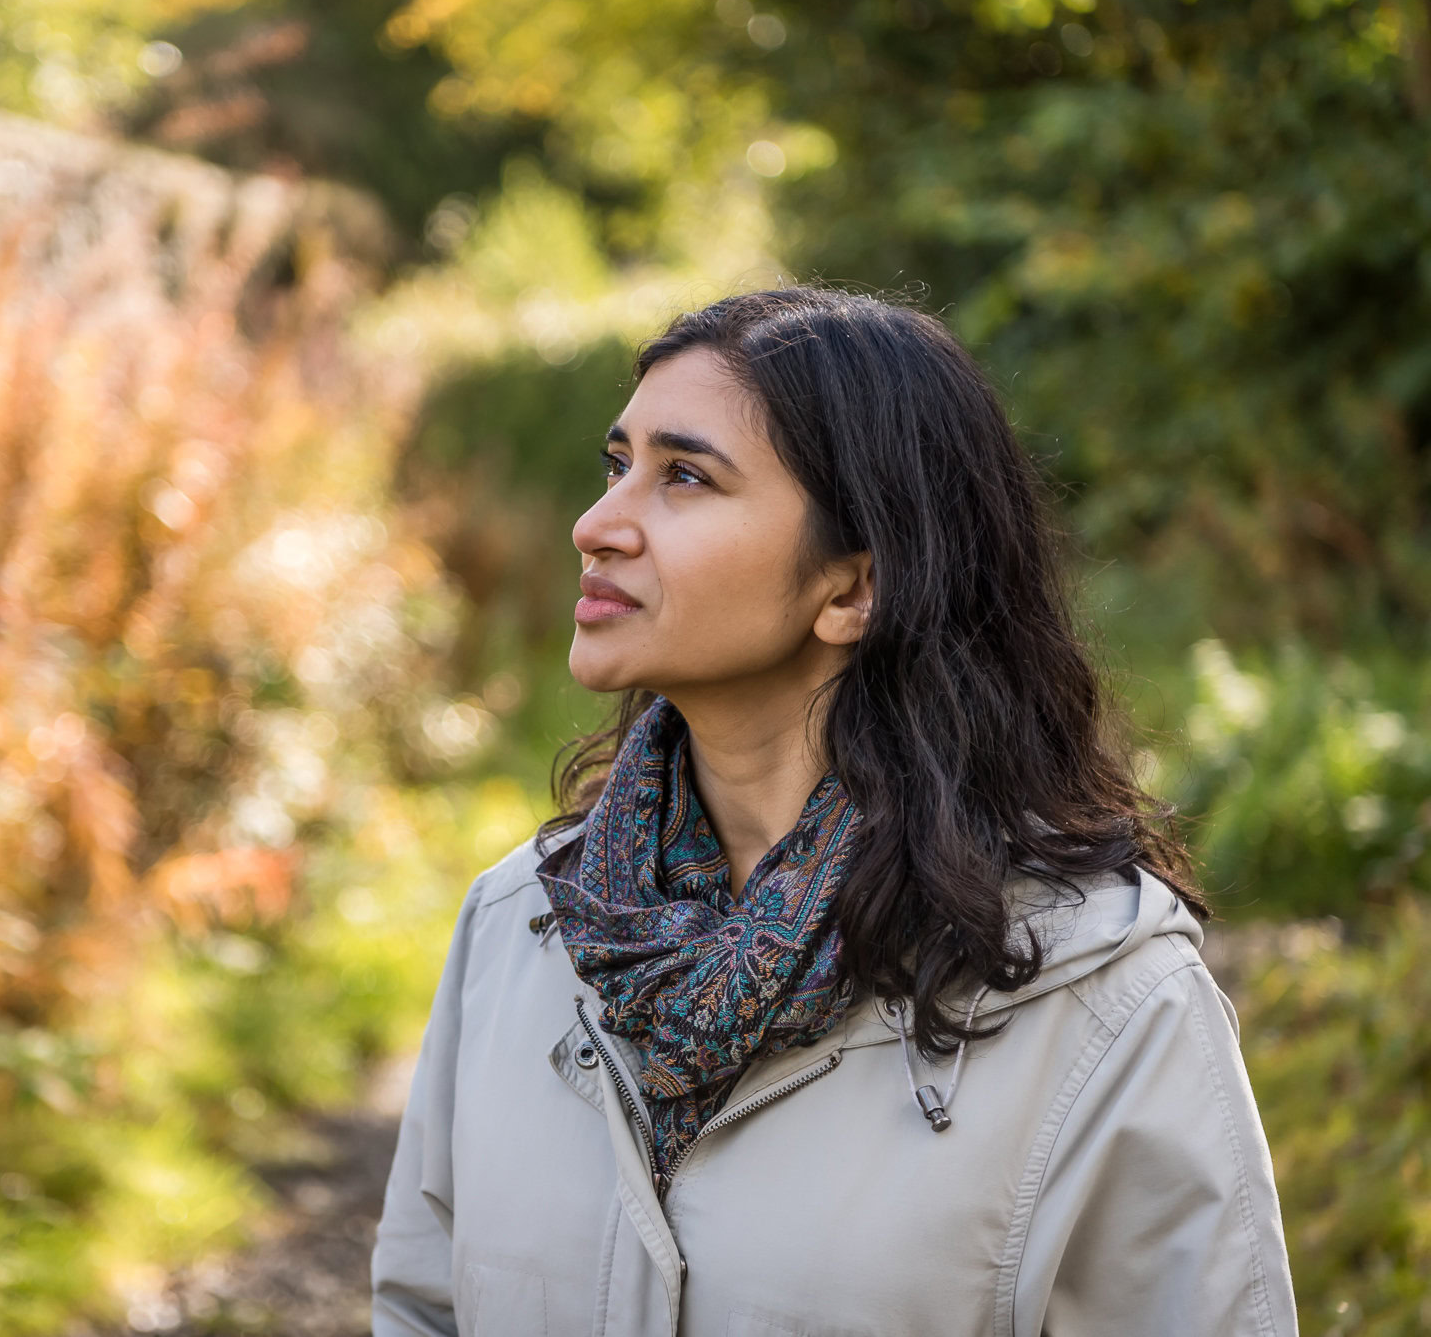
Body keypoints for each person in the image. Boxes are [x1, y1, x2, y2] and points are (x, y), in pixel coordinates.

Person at [368, 286, 1297, 1336]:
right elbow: (423, 1309)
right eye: (615, 464)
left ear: (852, 585)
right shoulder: (522, 927)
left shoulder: (1100, 1002)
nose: (596, 524)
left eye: (683, 475)